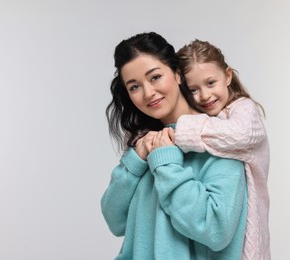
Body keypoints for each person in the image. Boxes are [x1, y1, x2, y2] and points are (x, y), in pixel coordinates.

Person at [101, 32, 249, 259]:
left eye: (155, 77)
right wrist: (134, 164)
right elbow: (115, 221)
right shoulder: (147, 143)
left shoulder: (217, 139)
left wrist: (167, 164)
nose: (148, 93)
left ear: (178, 74)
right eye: (134, 87)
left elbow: (216, 230)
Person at [175, 40, 271, 260]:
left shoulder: (244, 109)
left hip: (248, 236)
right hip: (220, 234)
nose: (205, 95)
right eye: (193, 89)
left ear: (227, 76)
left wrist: (181, 129)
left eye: (210, 83)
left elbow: (239, 135)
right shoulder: (208, 119)